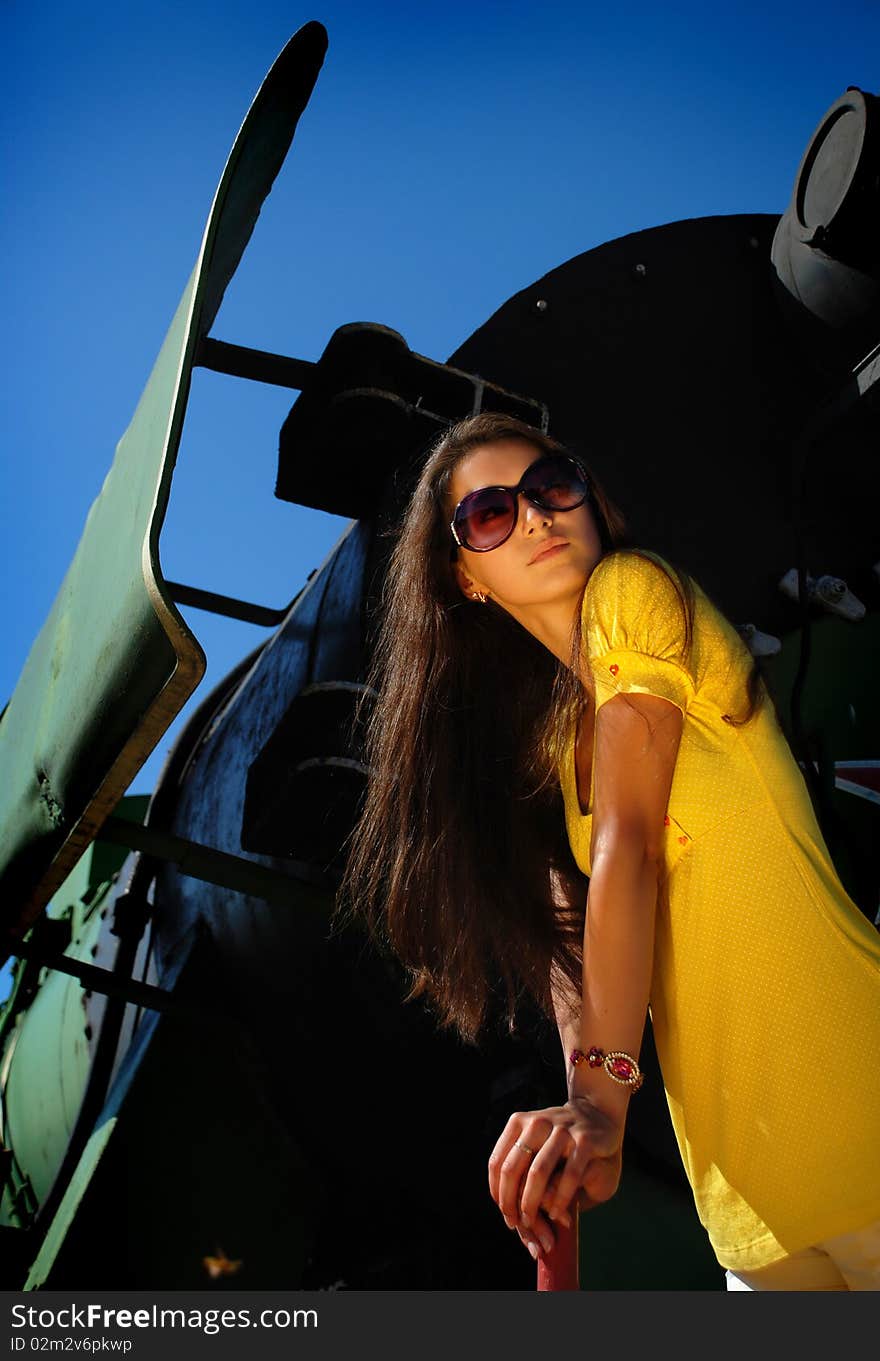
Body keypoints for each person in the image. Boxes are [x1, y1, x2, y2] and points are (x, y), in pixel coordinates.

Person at [337, 411, 880, 1291]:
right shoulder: (550, 761)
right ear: (463, 576)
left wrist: (598, 1099)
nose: (538, 516)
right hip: (750, 1215)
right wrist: (582, 1131)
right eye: (490, 513)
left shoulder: (637, 591)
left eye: (552, 485)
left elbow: (629, 850)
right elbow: (574, 967)